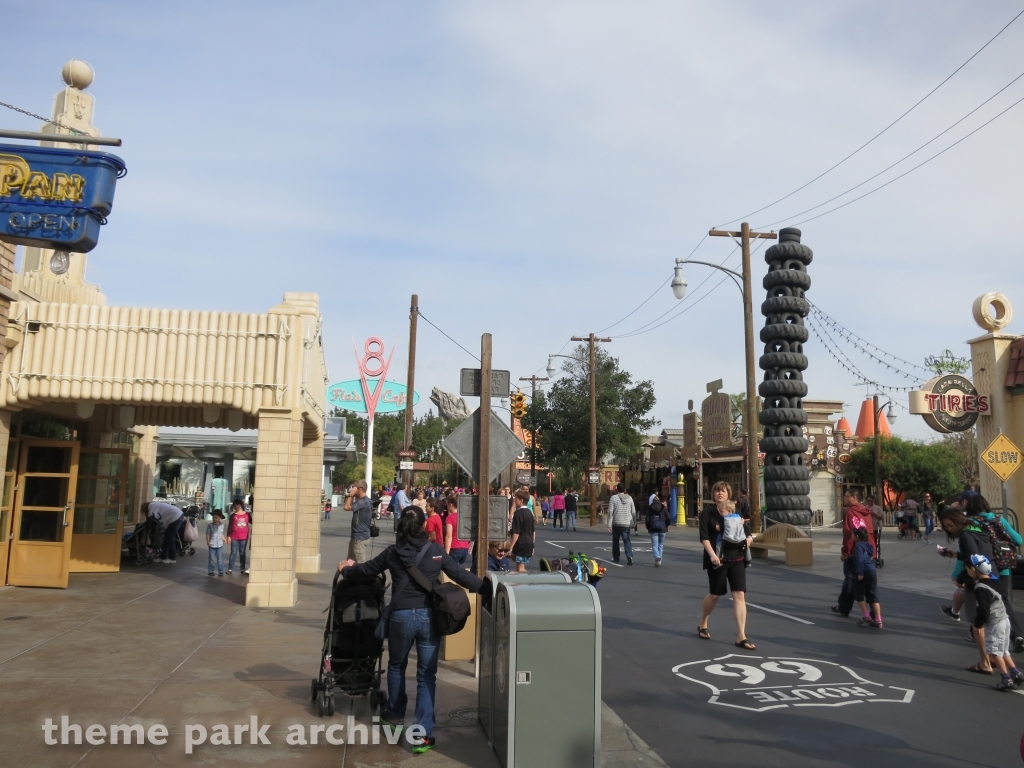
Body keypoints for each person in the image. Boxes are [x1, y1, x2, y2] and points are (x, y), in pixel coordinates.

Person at [337, 507, 483, 753]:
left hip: (400, 617)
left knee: (396, 666)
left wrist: (346, 569)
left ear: (401, 526)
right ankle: (421, 736)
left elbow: (367, 570)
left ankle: (394, 716)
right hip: (428, 618)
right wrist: (488, 589)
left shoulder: (393, 552)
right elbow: (461, 575)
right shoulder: (435, 551)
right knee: (426, 675)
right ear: (424, 525)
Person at [698, 481, 755, 649]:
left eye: (723, 491)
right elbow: (704, 537)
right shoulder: (707, 513)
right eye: (717, 491)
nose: (720, 493)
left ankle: (741, 636)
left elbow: (747, 532)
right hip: (717, 559)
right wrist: (712, 555)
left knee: (739, 595)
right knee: (715, 594)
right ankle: (703, 621)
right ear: (713, 494)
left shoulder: (735, 512)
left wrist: (748, 540)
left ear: (728, 494)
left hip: (737, 558)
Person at [963, 554, 1024, 690]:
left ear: (973, 569)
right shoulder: (994, 580)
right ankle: (1015, 672)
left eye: (967, 569)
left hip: (995, 623)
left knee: (994, 652)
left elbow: (983, 609)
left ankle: (1005, 679)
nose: (967, 572)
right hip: (1005, 620)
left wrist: (978, 625)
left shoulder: (980, 588)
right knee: (1004, 650)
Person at [831, 489, 874, 617]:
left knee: (850, 581)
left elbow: (848, 533)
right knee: (870, 585)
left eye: (846, 496)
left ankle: (844, 608)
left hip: (855, 551)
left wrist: (845, 552)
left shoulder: (850, 512)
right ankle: (874, 614)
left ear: (854, 497)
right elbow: (870, 532)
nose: (844, 498)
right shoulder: (866, 512)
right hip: (868, 551)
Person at [851, 522, 881, 628]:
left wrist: (860, 573)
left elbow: (860, 560)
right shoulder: (868, 544)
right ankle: (878, 619)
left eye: (852, 534)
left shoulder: (858, 546)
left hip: (864, 570)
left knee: (859, 594)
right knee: (873, 596)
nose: (851, 536)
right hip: (872, 570)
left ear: (857, 536)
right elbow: (871, 554)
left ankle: (866, 615)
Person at [606, 483, 637, 565]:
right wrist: (634, 522)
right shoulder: (630, 498)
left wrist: (609, 524)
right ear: (625, 489)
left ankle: (616, 557)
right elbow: (633, 511)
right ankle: (629, 556)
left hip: (616, 522)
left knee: (616, 540)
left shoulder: (613, 498)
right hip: (626, 523)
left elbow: (610, 512)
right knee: (626, 540)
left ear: (617, 489)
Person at [344, 480, 373, 564]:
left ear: (360, 489)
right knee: (350, 562)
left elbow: (346, 507)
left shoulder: (364, 501)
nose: (352, 489)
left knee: (360, 564)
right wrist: (352, 495)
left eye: (354, 488)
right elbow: (348, 505)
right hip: (356, 536)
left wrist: (351, 494)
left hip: (360, 538)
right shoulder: (361, 501)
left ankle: (363, 573)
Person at [509, 489, 535, 572]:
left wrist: (511, 547)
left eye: (516, 499)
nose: (514, 501)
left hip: (521, 544)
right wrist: (533, 545)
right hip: (528, 543)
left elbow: (516, 532)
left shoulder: (518, 513)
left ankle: (527, 579)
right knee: (520, 567)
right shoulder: (530, 513)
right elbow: (533, 531)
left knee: (520, 569)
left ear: (521, 500)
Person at [443, 494, 472, 567]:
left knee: (452, 570)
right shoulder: (465, 517)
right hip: (465, 548)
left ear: (451, 504)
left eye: (447, 504)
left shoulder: (450, 518)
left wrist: (446, 553)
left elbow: (448, 536)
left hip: (455, 547)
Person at [645, 492, 671, 567]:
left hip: (653, 529)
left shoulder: (650, 508)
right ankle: (659, 560)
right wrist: (666, 525)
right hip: (663, 529)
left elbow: (647, 520)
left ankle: (657, 556)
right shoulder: (663, 508)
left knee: (654, 545)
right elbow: (669, 518)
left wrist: (648, 527)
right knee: (661, 545)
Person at [226, 498, 251, 575]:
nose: (235, 507)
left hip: (244, 537)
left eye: (237, 505)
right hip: (234, 537)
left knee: (242, 553)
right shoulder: (233, 515)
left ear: (240, 505)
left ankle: (242, 568)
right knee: (233, 552)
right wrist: (228, 536)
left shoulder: (247, 515)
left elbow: (253, 522)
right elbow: (230, 526)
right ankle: (230, 568)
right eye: (234, 505)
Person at [206, 511, 226, 576]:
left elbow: (221, 534)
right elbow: (208, 534)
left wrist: (224, 539)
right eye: (213, 517)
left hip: (220, 545)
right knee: (212, 559)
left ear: (220, 518)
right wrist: (208, 541)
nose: (214, 519)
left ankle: (221, 571)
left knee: (220, 559)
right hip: (212, 544)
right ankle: (211, 571)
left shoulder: (222, 525)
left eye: (216, 517)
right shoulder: (210, 526)